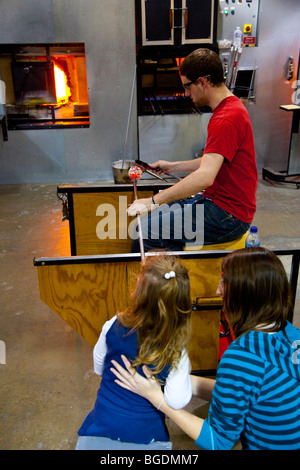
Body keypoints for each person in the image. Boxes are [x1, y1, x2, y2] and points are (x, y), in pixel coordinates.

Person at [111, 247, 300, 450]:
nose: (218, 291)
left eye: (223, 282)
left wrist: (156, 398)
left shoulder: (242, 357)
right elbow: (242, 390)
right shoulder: (291, 333)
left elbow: (217, 442)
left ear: (243, 295)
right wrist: (179, 379)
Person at [129, 48, 257, 252]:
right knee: (149, 220)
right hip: (219, 203)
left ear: (202, 82)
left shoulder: (225, 118)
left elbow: (206, 176)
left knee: (144, 232)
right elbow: (213, 161)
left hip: (228, 215)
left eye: (187, 87)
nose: (187, 93)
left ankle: (162, 283)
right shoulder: (231, 108)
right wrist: (173, 166)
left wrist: (153, 200)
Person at [77, 254, 193, 445]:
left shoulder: (113, 324)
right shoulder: (176, 351)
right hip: (148, 438)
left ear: (138, 291)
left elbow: (99, 368)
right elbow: (177, 401)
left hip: (98, 431)